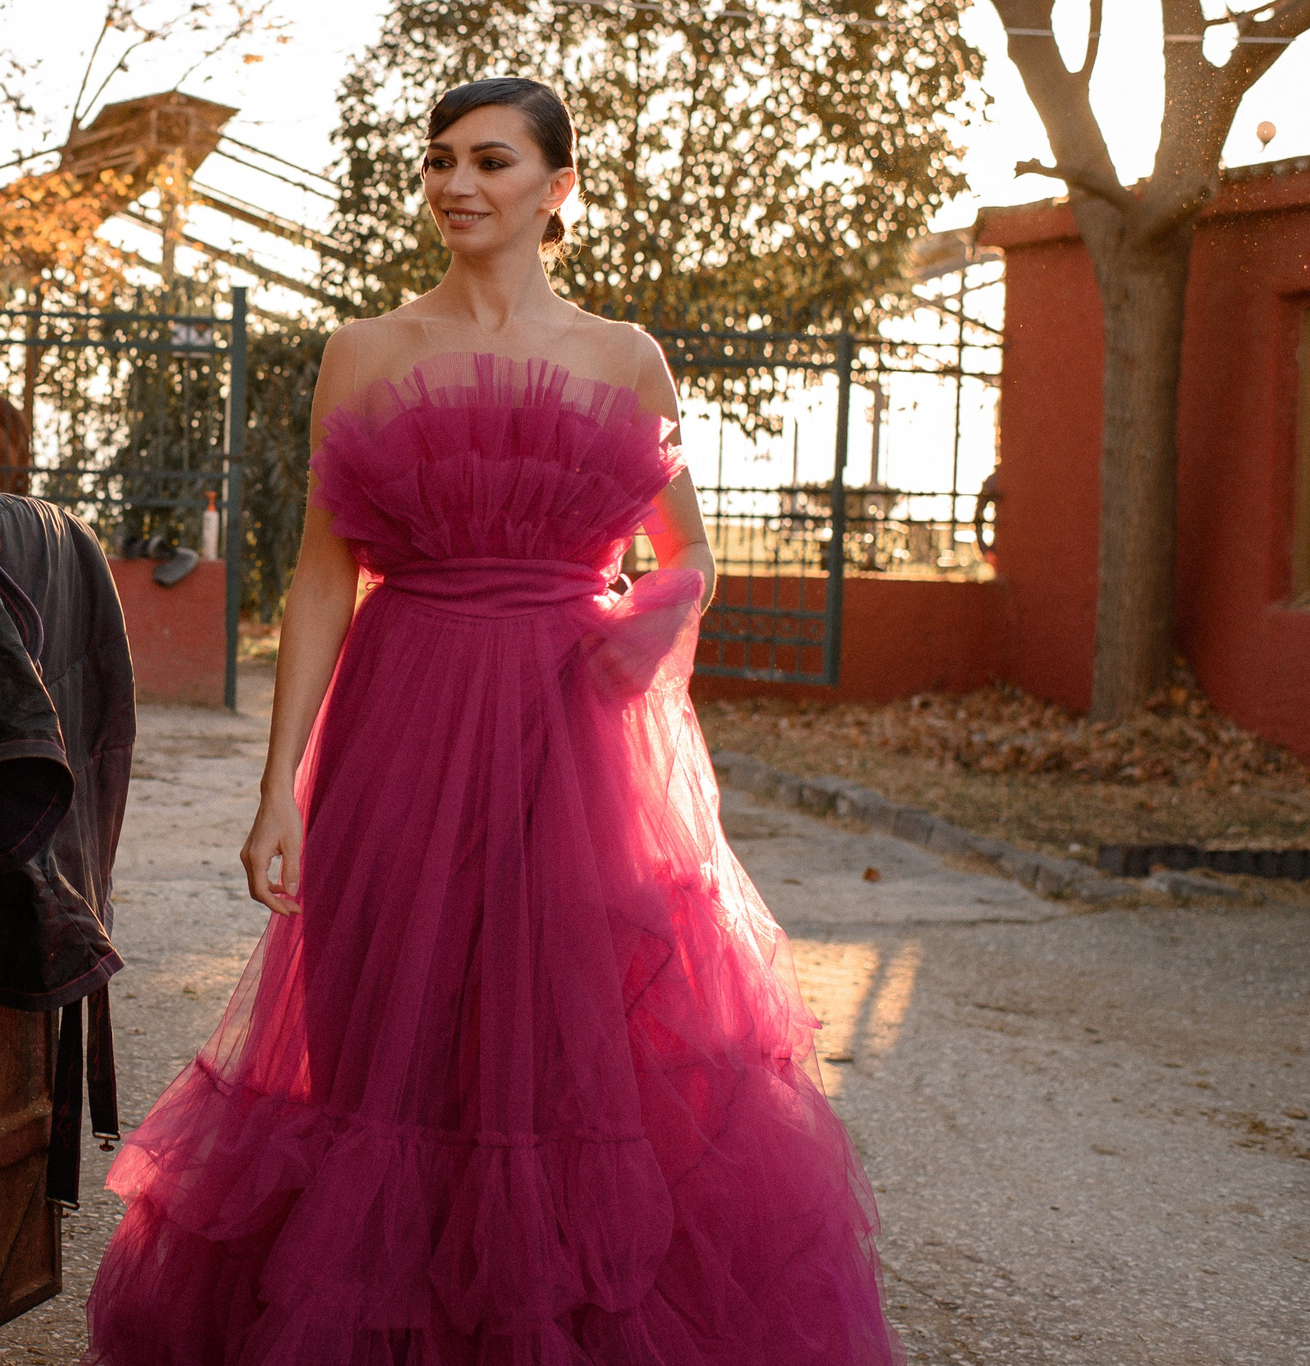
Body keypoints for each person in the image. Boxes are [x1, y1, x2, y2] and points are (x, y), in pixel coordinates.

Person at [83, 78, 900, 1364]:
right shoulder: (364, 348)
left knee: (560, 1042)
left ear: (558, 187)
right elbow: (317, 572)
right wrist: (277, 784)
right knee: (380, 1033)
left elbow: (686, 552)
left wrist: (636, 638)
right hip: (398, 724)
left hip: (565, 742)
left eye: (493, 161)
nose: (458, 183)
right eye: (441, 160)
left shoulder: (625, 355)